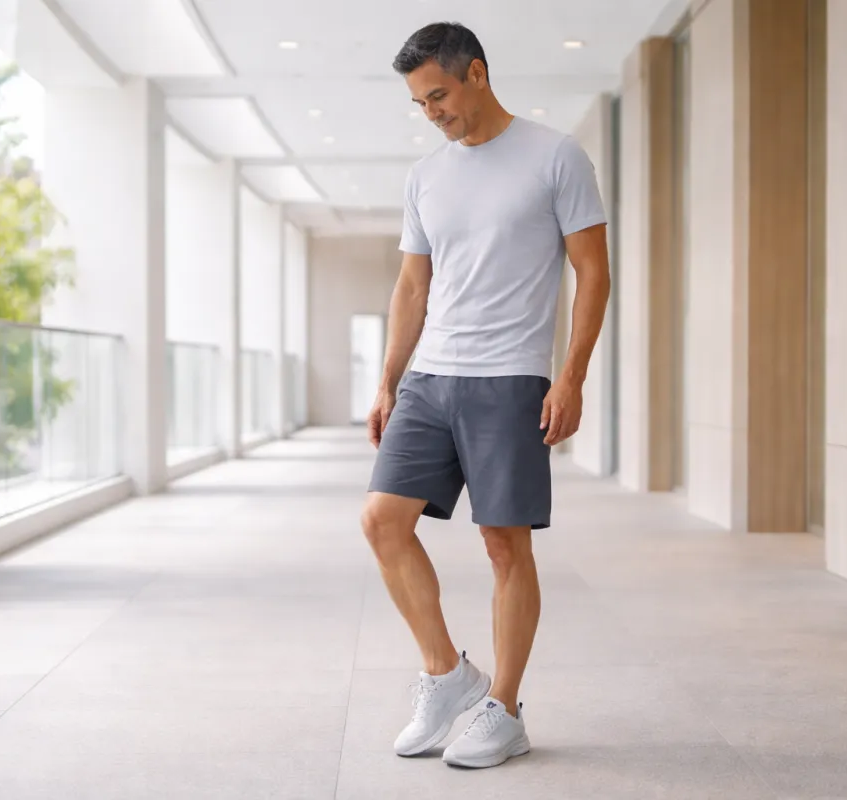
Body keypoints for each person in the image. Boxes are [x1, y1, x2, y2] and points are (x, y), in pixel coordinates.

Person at [360, 21, 611, 769]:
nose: (431, 111)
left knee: (504, 545)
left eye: (437, 94)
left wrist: (571, 375)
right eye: (419, 101)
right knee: (382, 522)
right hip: (432, 378)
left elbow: (592, 272)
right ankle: (446, 676)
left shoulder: (555, 156)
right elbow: (413, 285)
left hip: (510, 376)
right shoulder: (426, 176)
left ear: (476, 73)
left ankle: (503, 707)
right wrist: (387, 380)